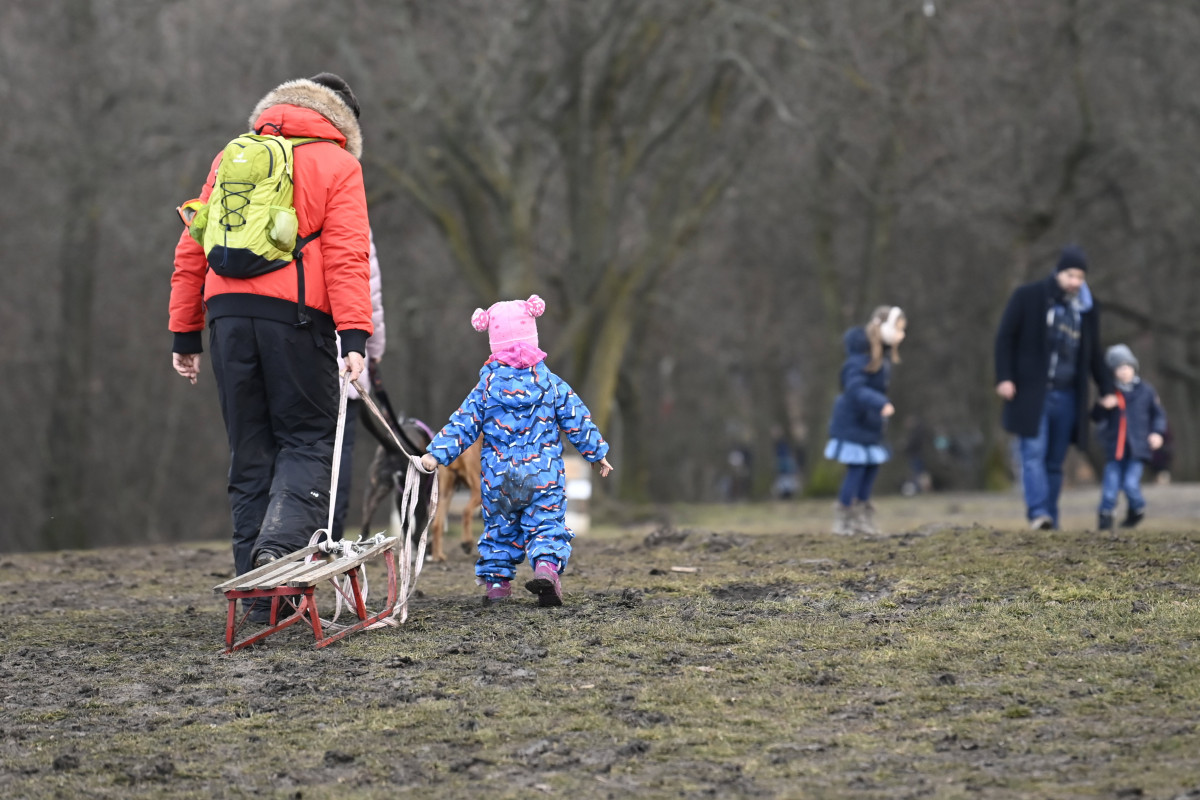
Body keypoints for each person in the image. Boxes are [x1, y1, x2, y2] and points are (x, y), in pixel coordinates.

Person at [170, 73, 373, 622]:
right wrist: (355, 336)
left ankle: (259, 603)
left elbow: (193, 245)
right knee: (308, 441)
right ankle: (280, 556)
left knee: (250, 448)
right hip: (298, 319)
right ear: (342, 123)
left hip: (227, 319)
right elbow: (349, 257)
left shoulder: (232, 156)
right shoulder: (339, 166)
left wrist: (185, 333)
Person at [419, 295, 614, 606]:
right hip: (543, 475)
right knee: (547, 525)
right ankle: (547, 570)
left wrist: (434, 454)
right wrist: (596, 452)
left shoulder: (485, 388)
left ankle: (497, 589)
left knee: (499, 531)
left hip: (500, 478)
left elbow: (462, 423)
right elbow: (577, 416)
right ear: (532, 334)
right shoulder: (550, 383)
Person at [994, 245, 1116, 530]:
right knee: (1032, 454)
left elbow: (1094, 353)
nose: (1075, 282)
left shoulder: (1087, 309)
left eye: (1080, 277)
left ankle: (1050, 516)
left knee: (1054, 461)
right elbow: (1005, 339)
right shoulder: (1029, 297)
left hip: (1068, 395)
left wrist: (1107, 389)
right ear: (1059, 272)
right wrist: (1005, 377)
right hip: (1032, 393)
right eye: (1070, 275)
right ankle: (1038, 513)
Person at [824, 306, 907, 535]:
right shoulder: (858, 361)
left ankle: (862, 515)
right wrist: (879, 402)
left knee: (871, 468)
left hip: (870, 424)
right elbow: (854, 389)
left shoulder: (880, 359)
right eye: (899, 329)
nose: (902, 335)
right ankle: (845, 517)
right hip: (853, 422)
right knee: (857, 468)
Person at [331, 231, 386, 541]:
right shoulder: (354, 221)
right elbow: (370, 294)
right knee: (338, 462)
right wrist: (373, 351)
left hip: (298, 363)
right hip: (346, 367)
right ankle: (331, 541)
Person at [1091, 344, 1167, 530]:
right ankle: (1105, 518)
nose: (1124, 372)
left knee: (1131, 485)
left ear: (1134, 367)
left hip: (1137, 449)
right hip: (1114, 449)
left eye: (1127, 367)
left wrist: (1157, 433)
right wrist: (1103, 406)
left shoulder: (1146, 391)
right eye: (1119, 368)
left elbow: (1159, 415)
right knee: (1110, 488)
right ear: (1112, 372)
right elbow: (1095, 417)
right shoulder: (1109, 393)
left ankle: (1137, 509)